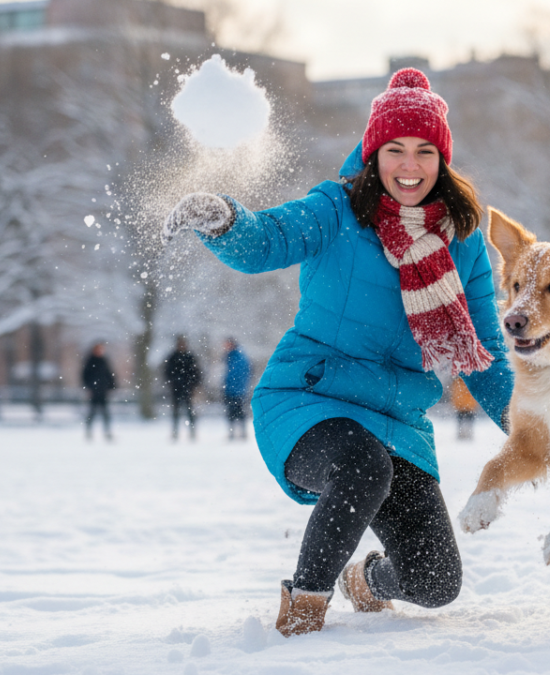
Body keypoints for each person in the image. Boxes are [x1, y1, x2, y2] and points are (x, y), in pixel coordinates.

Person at [162, 68, 513, 636]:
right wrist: (225, 220)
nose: (409, 165)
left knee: (435, 583)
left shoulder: (463, 237)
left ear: (441, 160)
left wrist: (540, 433)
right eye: (394, 149)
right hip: (309, 401)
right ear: (374, 153)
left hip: (397, 420)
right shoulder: (336, 210)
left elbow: (487, 355)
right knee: (361, 465)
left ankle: (366, 580)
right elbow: (265, 240)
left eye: (425, 151)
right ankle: (304, 607)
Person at [163, 335, 202, 441]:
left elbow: (196, 373)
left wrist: (193, 385)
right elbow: (167, 372)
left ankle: (192, 431)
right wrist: (173, 382)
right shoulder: (173, 357)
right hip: (176, 388)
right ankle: (175, 431)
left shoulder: (190, 357)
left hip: (188, 388)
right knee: (176, 410)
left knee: (189, 410)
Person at [81, 341, 116, 441]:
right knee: (92, 412)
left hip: (103, 391)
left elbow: (109, 375)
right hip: (94, 391)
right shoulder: (90, 361)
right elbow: (85, 376)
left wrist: (112, 386)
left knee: (105, 413)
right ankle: (88, 431)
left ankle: (107, 432)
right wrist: (89, 387)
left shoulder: (104, 360)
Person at [223, 337, 252, 440]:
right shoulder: (230, 357)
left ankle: (242, 432)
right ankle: (234, 432)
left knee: (239, 411)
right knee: (232, 412)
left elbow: (239, 374)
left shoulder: (238, 357)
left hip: (237, 390)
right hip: (231, 389)